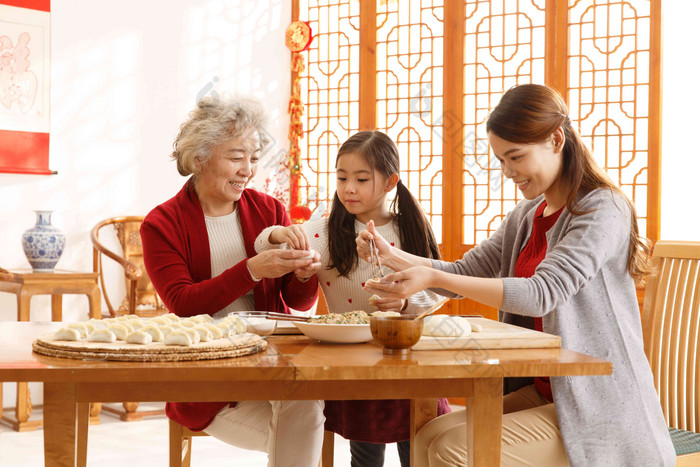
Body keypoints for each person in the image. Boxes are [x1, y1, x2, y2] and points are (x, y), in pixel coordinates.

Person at [361, 84, 676, 466]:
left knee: (451, 449)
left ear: (556, 139)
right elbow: (464, 271)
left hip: (600, 403)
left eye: (516, 157)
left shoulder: (603, 209)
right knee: (429, 434)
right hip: (548, 392)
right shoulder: (527, 217)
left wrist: (427, 278)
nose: (509, 172)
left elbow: (541, 293)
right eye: (501, 160)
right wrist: (392, 255)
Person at [140, 95, 325, 467]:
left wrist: (305, 274)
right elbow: (183, 302)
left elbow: (299, 302)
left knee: (305, 405)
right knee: (303, 428)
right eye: (236, 157)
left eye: (254, 158)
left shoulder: (269, 209)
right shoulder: (161, 224)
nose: (248, 170)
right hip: (211, 380)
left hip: (272, 363)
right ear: (200, 157)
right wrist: (253, 269)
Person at [254, 130, 450, 467]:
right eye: (342, 177)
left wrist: (404, 304)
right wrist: (278, 234)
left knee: (421, 452)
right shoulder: (322, 231)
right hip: (352, 363)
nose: (348, 188)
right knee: (364, 458)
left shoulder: (411, 229)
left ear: (391, 183)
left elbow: (437, 292)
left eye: (361, 178)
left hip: (409, 359)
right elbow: (263, 247)